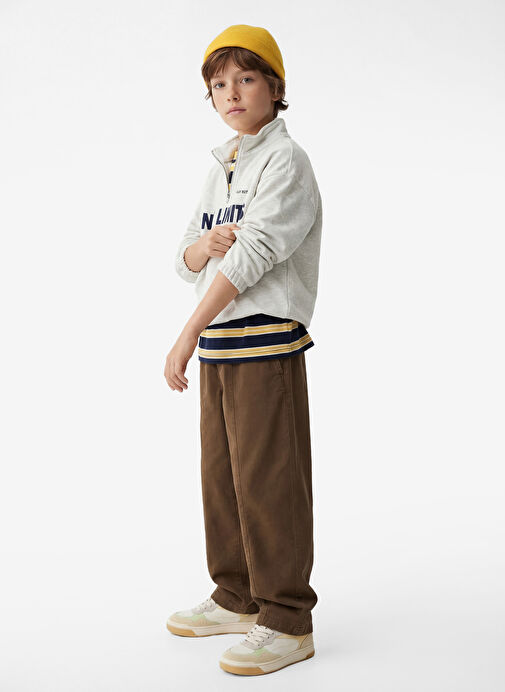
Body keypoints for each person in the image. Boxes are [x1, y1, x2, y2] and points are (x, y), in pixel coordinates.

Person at [164, 24, 322, 676]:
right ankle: (237, 597)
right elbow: (185, 257)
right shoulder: (221, 166)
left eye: (245, 78)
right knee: (223, 477)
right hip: (223, 344)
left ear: (274, 87)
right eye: (218, 84)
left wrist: (187, 330)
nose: (231, 93)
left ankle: (286, 618)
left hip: (263, 339)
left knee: (268, 480)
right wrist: (201, 248)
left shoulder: (285, 162)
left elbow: (254, 253)